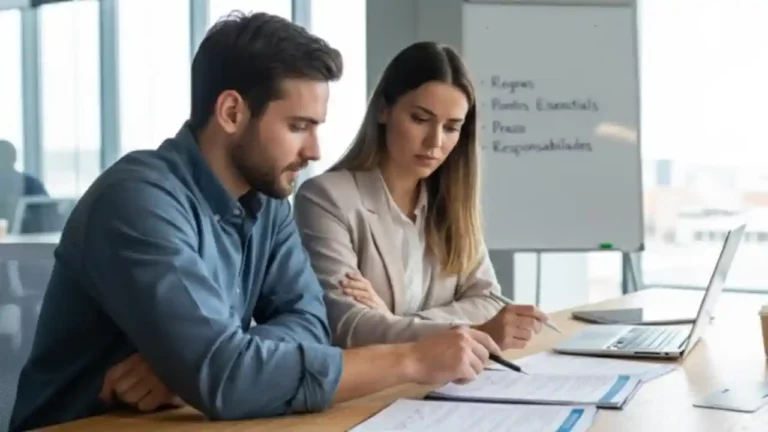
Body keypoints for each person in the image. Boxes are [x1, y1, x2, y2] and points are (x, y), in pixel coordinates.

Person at [9, 13, 501, 431]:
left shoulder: (268, 205)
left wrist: (191, 367)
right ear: (231, 112)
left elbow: (311, 325)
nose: (315, 151)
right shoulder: (138, 201)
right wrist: (410, 358)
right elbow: (226, 377)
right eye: (298, 126)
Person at [292, 42, 549, 350]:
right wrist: (467, 330)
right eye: (420, 119)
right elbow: (347, 326)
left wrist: (391, 320)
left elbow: (488, 300)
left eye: (451, 128)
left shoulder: (453, 204)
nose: (435, 142)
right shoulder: (326, 199)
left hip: (450, 376)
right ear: (384, 109)